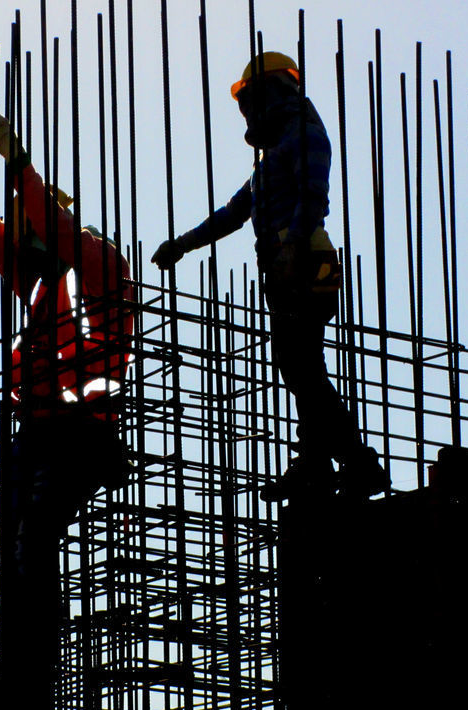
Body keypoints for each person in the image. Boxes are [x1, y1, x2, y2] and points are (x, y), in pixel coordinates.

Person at [0, 108, 134, 710]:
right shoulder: (46, 282)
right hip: (42, 433)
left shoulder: (96, 263)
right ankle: (15, 677)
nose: (21, 239)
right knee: (16, 550)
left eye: (33, 225)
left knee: (36, 534)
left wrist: (15, 158)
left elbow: (51, 229)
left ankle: (31, 686)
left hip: (85, 436)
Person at [151, 52, 389, 502]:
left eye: (252, 102)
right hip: (283, 267)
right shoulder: (272, 158)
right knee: (299, 368)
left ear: (273, 94)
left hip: (302, 262)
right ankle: (318, 461)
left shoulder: (305, 135)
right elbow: (233, 214)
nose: (248, 115)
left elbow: (314, 195)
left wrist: (291, 249)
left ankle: (357, 462)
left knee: (301, 367)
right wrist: (182, 244)